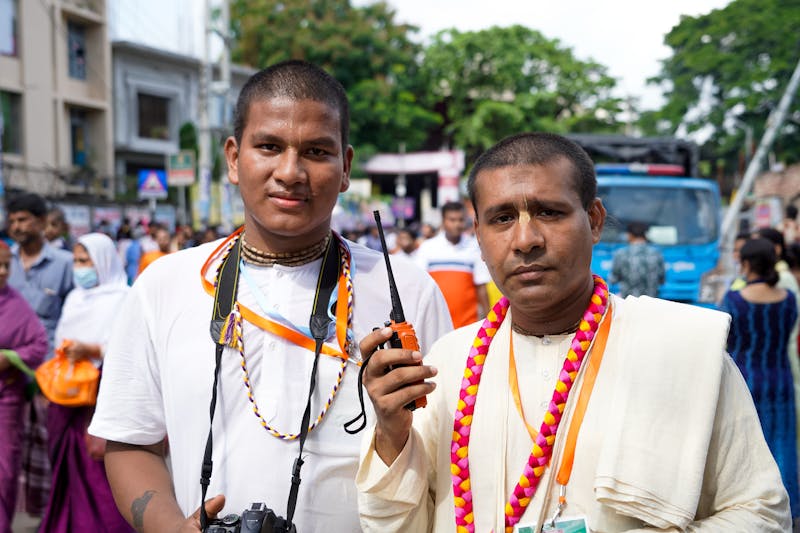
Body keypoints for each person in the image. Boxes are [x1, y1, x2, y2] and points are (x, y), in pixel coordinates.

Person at [356, 132, 790, 532]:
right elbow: (395, 524)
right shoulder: (448, 363)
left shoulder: (683, 351)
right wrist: (391, 433)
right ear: (479, 238)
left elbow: (762, 513)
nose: (525, 239)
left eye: (549, 212)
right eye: (502, 218)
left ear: (595, 220)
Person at [88, 60, 452, 533]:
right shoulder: (165, 284)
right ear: (234, 159)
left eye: (317, 151)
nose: (290, 171)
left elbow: (446, 448)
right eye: (269, 147)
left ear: (345, 167)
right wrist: (170, 527)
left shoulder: (405, 289)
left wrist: (393, 427)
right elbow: (131, 442)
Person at [39, 233, 133, 532]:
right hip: (68, 395)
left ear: (103, 262)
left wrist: (91, 350)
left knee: (98, 470)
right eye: (77, 261)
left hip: (102, 394)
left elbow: (128, 346)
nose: (80, 268)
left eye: (85, 261)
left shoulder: (124, 298)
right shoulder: (74, 298)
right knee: (66, 469)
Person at [719, 237, 799, 519]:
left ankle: (752, 508)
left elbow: (723, 339)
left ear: (747, 263)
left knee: (749, 444)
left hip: (745, 378)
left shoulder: (734, 299)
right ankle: (789, 505)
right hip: (780, 379)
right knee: (783, 440)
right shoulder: (789, 299)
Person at [6, 193, 73, 516]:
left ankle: (55, 515)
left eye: (23, 219)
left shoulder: (65, 265)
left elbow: (76, 317)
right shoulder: (6, 263)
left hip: (51, 378)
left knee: (51, 451)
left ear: (41, 222)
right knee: (11, 455)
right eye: (13, 220)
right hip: (10, 377)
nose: (17, 226)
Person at [0, 241, 48, 533]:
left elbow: (39, 344)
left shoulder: (16, 303)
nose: (3, 271)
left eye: (7, 264)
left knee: (3, 471)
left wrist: (8, 358)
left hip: (7, 399)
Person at [415, 201, 491, 327]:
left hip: (467, 324)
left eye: (460, 220)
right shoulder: (428, 248)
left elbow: (481, 287)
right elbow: (419, 284)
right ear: (443, 221)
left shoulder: (475, 247)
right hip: (435, 322)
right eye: (452, 220)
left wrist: (489, 319)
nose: (457, 224)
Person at [608, 221, 665, 297]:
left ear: (630, 235)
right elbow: (661, 280)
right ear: (645, 235)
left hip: (628, 303)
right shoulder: (656, 254)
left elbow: (613, 279)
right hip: (650, 302)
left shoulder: (621, 254)